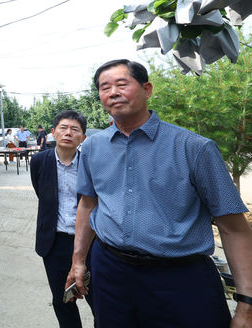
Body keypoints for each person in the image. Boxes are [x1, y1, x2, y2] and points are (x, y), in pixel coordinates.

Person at [67, 59, 252, 327]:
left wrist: (246, 304)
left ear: (147, 89)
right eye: (104, 87)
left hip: (180, 278)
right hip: (111, 271)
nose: (113, 93)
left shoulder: (195, 148)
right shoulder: (93, 148)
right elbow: (88, 204)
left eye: (122, 84)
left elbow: (234, 228)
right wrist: (78, 261)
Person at [31, 110, 94, 328]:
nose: (68, 133)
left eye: (75, 129)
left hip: (90, 242)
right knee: (62, 300)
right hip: (54, 241)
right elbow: (43, 195)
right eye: (63, 128)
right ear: (53, 133)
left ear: (83, 137)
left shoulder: (91, 163)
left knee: (99, 300)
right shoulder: (39, 161)